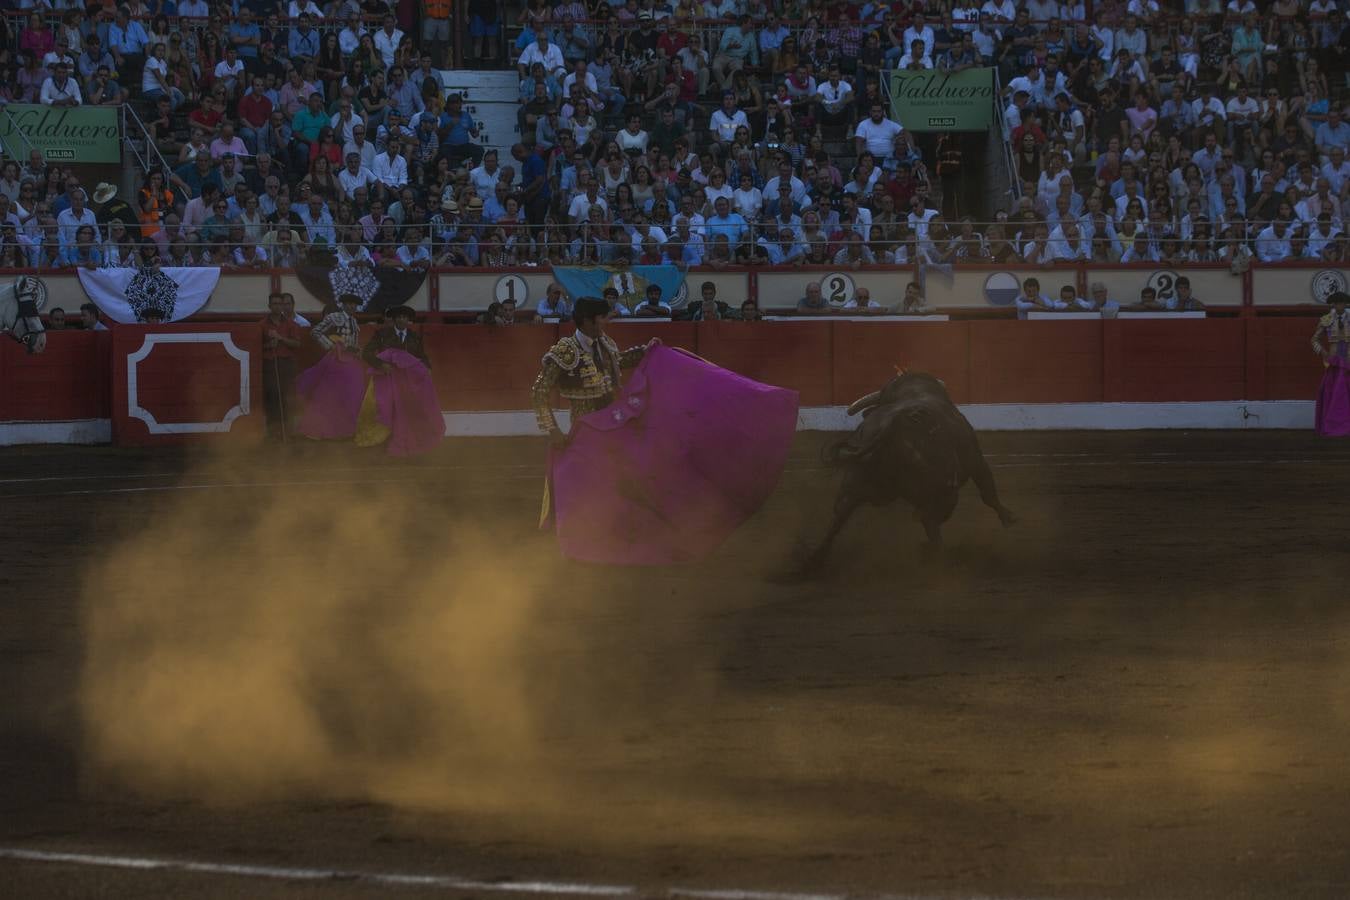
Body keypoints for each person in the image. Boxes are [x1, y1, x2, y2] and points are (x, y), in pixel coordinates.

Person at [531, 296, 655, 447]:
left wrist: (645, 352)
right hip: (585, 427)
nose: (606, 321)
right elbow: (539, 391)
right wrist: (552, 428)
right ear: (587, 321)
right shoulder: (566, 351)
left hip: (613, 420)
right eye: (602, 317)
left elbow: (617, 362)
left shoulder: (604, 342)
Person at [356, 304, 443, 455]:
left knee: (406, 408)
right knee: (385, 407)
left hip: (407, 380)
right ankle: (381, 440)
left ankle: (401, 438)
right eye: (399, 317)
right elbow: (367, 353)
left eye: (405, 317)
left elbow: (421, 356)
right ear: (394, 319)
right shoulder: (382, 334)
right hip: (386, 378)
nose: (402, 320)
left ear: (409, 320)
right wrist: (380, 364)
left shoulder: (414, 337)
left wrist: (427, 367)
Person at [295, 293, 367, 440]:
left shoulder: (354, 322)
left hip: (350, 362)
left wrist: (357, 350)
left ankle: (344, 431)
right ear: (343, 305)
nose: (352, 307)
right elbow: (315, 331)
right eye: (349, 304)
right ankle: (318, 430)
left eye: (354, 304)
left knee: (351, 395)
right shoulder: (334, 317)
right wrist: (331, 346)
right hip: (335, 361)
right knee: (327, 396)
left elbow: (352, 343)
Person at [259, 291, 303, 441]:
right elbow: (256, 347)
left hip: (286, 364)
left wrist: (280, 338)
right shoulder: (261, 325)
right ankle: (274, 432)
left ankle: (288, 431)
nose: (278, 307)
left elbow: (297, 344)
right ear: (269, 306)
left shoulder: (292, 324)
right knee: (272, 397)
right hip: (270, 364)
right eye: (275, 304)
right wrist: (267, 345)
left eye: (281, 304)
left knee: (286, 396)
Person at [1311, 290, 1350, 437]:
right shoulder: (1326, 319)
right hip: (1333, 363)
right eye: (1337, 303)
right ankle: (1333, 425)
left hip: (1349, 361)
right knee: (1334, 395)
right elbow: (1314, 340)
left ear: (1346, 304)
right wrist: (1323, 353)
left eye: (1343, 303)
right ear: (1334, 304)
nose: (1340, 306)